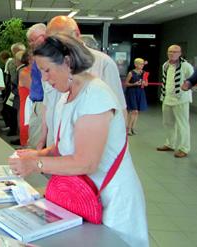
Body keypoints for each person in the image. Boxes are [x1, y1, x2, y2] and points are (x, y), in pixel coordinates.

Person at [8, 34, 148, 247]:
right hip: (86, 197)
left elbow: (86, 162)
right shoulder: (68, 94)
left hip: (112, 199)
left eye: (47, 70)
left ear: (68, 62)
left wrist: (35, 164)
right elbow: (65, 145)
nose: (45, 78)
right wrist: (38, 154)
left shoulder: (95, 95)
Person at [37, 15, 127, 150]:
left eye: (61, 39)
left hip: (91, 150)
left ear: (77, 35)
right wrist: (42, 139)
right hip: (57, 146)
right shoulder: (50, 66)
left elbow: (120, 109)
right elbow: (47, 105)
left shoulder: (103, 63)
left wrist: (117, 147)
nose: (56, 46)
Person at [156, 44, 194, 158]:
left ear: (180, 53)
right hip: (167, 98)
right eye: (170, 51)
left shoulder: (186, 66)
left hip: (181, 99)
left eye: (175, 52)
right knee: (167, 123)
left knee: (183, 125)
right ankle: (170, 143)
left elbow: (192, 80)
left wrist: (188, 87)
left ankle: (184, 148)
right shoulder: (165, 65)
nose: (172, 54)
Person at [26, 23, 46, 148]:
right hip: (38, 104)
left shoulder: (46, 57)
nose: (30, 44)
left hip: (42, 104)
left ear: (43, 37)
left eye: (32, 40)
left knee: (35, 144)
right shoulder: (39, 56)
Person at [124, 58, 148, 135]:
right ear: (135, 64)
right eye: (140, 64)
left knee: (137, 112)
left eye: (142, 64)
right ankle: (128, 128)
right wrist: (134, 84)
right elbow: (126, 83)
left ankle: (133, 127)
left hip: (140, 92)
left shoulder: (144, 73)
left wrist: (144, 83)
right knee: (133, 111)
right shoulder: (131, 73)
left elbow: (146, 83)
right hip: (132, 92)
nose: (142, 65)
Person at [17, 50, 32, 147]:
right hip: (28, 110)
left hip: (31, 109)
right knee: (28, 139)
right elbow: (39, 90)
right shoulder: (25, 73)